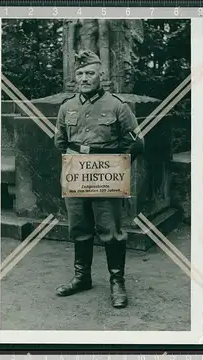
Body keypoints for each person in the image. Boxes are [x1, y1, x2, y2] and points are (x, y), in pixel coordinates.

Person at [54, 50, 144, 308]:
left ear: (101, 75)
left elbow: (138, 143)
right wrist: (77, 164)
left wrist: (117, 168)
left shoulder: (117, 105)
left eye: (90, 73)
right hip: (76, 176)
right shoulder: (67, 106)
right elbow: (60, 142)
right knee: (79, 228)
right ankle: (82, 277)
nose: (84, 78)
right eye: (80, 73)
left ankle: (117, 282)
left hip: (107, 176)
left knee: (111, 232)